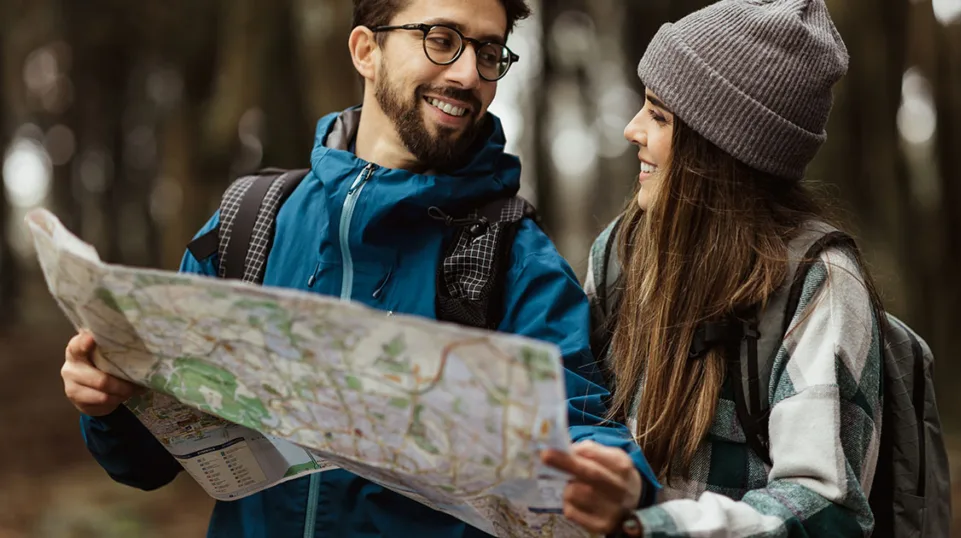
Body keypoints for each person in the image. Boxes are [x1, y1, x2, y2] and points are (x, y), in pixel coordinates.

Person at [58, 0, 659, 536]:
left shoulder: (513, 258)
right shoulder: (249, 224)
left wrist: (619, 482)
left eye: (488, 51)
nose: (468, 74)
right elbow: (148, 463)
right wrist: (108, 405)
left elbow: (581, 427)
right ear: (366, 50)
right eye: (442, 39)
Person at [542, 0, 888, 536]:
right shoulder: (620, 253)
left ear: (719, 150)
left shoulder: (819, 285)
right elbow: (579, 413)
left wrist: (652, 526)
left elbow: (826, 506)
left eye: (658, 115)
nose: (632, 129)